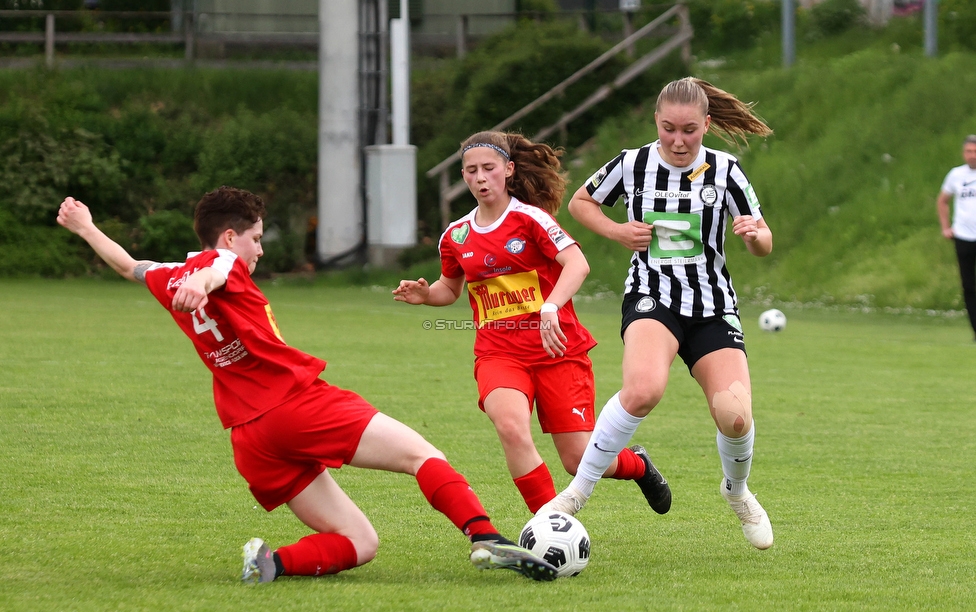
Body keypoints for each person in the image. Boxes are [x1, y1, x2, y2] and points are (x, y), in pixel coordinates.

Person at [56, 187, 557, 583]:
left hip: (250, 439)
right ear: (230, 236)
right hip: (295, 405)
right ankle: (486, 536)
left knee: (360, 543)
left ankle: (270, 564)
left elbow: (128, 266)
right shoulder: (218, 265)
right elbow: (220, 268)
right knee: (422, 455)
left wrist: (86, 227)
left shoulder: (170, 275)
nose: (260, 249)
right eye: (255, 238)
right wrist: (202, 282)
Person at [541, 77, 775, 551]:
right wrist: (617, 231)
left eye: (689, 129)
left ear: (707, 124)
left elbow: (765, 242)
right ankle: (576, 493)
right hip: (653, 296)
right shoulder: (633, 163)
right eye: (668, 128)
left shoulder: (727, 170)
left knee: (735, 417)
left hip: (711, 304)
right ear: (656, 122)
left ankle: (737, 491)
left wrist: (753, 235)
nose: (678, 140)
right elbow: (581, 202)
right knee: (643, 391)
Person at [393, 130, 671, 516]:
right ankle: (550, 526)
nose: (480, 177)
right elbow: (449, 288)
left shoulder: (530, 219)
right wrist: (427, 295)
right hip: (498, 354)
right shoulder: (456, 235)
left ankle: (638, 464)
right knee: (510, 427)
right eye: (471, 171)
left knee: (578, 460)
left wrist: (551, 306)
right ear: (463, 176)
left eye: (489, 168)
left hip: (557, 349)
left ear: (508, 169)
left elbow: (578, 264)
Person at [937, 134, 976, 341]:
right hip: (963, 236)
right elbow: (942, 201)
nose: (972, 156)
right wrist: (946, 227)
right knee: (969, 285)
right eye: (969, 151)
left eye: (975, 152)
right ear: (964, 153)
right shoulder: (956, 175)